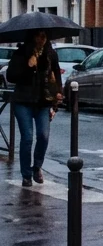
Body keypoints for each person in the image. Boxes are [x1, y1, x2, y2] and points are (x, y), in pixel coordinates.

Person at [6, 31, 63, 187]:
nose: (41, 39)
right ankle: (26, 175)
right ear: (32, 37)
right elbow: (10, 76)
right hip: (23, 101)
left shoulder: (51, 54)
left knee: (43, 136)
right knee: (27, 137)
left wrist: (57, 95)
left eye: (44, 36)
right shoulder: (21, 53)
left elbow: (56, 76)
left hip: (43, 102)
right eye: (38, 36)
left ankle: (37, 167)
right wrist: (28, 66)